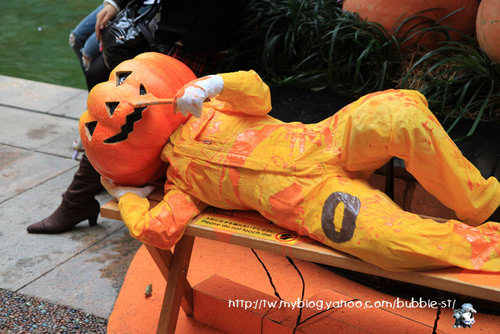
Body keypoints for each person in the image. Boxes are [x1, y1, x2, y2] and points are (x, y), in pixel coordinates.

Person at [79, 60, 499, 271]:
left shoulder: (210, 108)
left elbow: (259, 96)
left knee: (398, 110)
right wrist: (128, 196)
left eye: (121, 83)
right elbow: (157, 229)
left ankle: (481, 204)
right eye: (101, 120)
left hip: (324, 141)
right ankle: (491, 248)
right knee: (390, 243)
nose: (116, 104)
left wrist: (213, 84)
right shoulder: (180, 186)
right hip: (313, 203)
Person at [27, 0, 245, 234]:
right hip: (170, 33)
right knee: (101, 74)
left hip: (195, 44)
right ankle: (93, 185)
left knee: (122, 116)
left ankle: (77, 200)